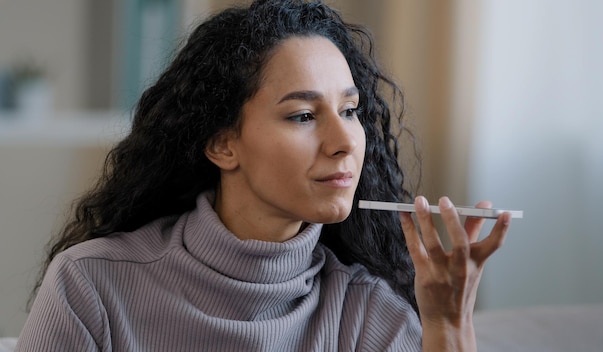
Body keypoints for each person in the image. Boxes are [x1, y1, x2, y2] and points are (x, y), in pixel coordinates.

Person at [16, 0, 511, 351]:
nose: (345, 142)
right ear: (221, 143)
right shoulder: (92, 285)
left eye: (351, 110)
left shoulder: (367, 313)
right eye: (302, 116)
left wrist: (447, 327)